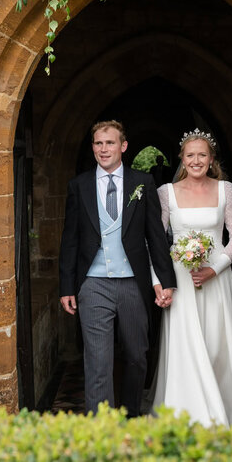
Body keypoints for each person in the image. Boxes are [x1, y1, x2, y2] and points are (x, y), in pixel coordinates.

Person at [59, 120, 176, 416]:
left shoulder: (142, 182)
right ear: (93, 147)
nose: (103, 149)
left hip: (132, 283)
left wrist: (165, 279)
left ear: (123, 146)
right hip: (93, 283)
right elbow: (70, 240)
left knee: (137, 356)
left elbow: (155, 236)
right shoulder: (79, 185)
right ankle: (102, 428)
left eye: (110, 143)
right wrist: (67, 287)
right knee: (98, 360)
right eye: (98, 143)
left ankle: (132, 416)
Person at [152, 129, 232, 430]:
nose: (196, 160)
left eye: (202, 155)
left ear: (211, 158)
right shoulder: (166, 193)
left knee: (217, 345)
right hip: (180, 280)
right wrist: (159, 283)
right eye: (190, 155)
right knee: (185, 346)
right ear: (182, 159)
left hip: (217, 277)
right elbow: (157, 242)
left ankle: (222, 414)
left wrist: (215, 269)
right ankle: (185, 419)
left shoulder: (227, 190)